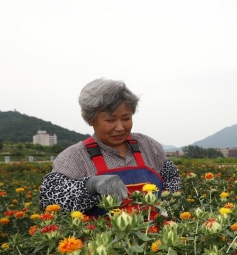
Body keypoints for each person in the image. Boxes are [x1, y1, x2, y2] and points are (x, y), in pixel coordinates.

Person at [39, 78, 181, 214]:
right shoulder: (74, 157)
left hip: (155, 236)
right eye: (110, 120)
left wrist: (167, 207)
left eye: (126, 118)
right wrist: (89, 185)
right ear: (91, 120)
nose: (120, 127)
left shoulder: (148, 146)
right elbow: (49, 198)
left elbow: (172, 177)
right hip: (101, 238)